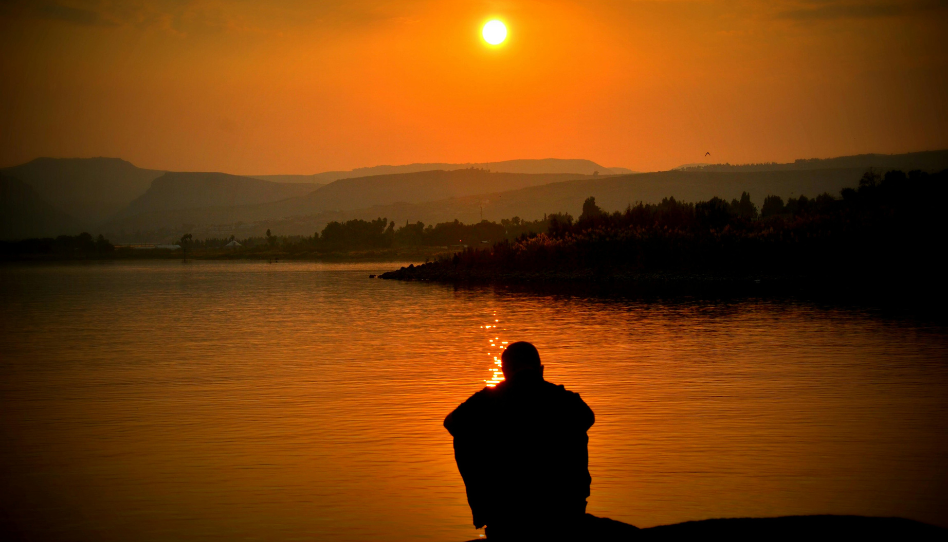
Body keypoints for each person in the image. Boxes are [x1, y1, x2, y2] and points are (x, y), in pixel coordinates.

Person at [445, 341, 618, 541]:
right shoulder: (566, 401)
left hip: (507, 511)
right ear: (541, 369)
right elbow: (588, 418)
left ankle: (488, 508)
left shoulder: (488, 400)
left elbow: (451, 423)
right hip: (564, 508)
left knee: (464, 434)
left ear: (504, 371)